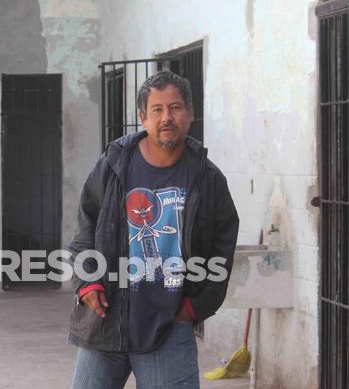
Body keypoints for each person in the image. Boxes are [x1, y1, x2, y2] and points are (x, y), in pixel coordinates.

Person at [68, 70, 239, 389]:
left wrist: (198, 304)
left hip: (169, 324)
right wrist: (87, 281)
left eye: (175, 108)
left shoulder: (207, 178)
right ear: (143, 118)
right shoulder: (114, 165)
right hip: (106, 320)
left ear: (190, 114)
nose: (167, 117)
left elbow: (223, 244)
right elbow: (85, 227)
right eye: (157, 109)